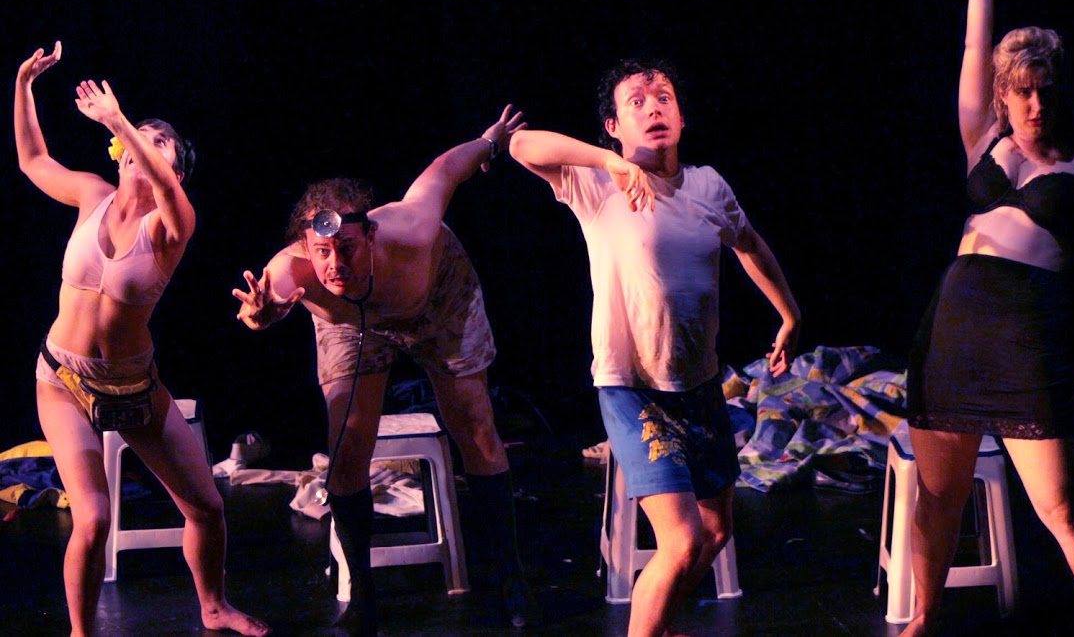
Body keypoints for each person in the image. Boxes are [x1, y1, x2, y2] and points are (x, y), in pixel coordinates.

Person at [903, 0, 1074, 636]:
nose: (1034, 104)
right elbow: (975, 45)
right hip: (954, 333)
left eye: (1044, 90)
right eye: (1021, 90)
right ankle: (924, 618)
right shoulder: (983, 139)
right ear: (1003, 95)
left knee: (1067, 512)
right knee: (938, 497)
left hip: (1029, 344)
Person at [508, 59, 801, 637]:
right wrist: (610, 162)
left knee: (716, 531)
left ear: (683, 117)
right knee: (683, 539)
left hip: (700, 384)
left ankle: (658, 624)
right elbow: (521, 145)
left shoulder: (709, 185)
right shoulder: (597, 185)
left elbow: (750, 244)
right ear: (613, 127)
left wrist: (789, 314)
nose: (653, 109)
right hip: (632, 387)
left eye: (663, 97)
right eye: (636, 103)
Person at [232, 106, 534, 634]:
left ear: (369, 237)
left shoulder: (412, 232)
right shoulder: (294, 271)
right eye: (322, 252)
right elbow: (261, 309)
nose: (335, 264)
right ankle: (363, 595)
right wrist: (261, 316)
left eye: (347, 248)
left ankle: (508, 579)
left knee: (475, 429)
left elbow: (443, 170)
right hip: (353, 327)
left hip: (439, 299)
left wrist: (489, 142)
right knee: (347, 445)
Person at [14, 41, 269, 637]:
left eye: (161, 143)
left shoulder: (172, 225)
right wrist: (23, 86)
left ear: (173, 171)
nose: (144, 144)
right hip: (63, 379)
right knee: (93, 519)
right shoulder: (91, 196)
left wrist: (120, 122)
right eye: (139, 138)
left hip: (133, 385)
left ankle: (213, 605)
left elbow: (168, 192)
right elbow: (33, 160)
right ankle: (81, 633)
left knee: (206, 506)